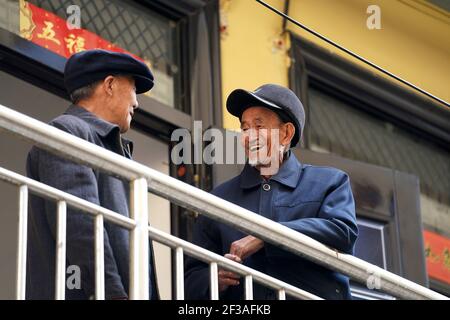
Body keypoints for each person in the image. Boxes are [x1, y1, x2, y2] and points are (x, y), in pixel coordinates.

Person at [185, 84, 358, 300]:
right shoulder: (218, 199)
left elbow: (343, 232)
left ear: (286, 134)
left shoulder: (329, 182)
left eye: (259, 126)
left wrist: (265, 237)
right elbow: (191, 279)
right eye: (245, 128)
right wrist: (215, 279)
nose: (249, 136)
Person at [26, 49, 158, 300]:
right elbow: (79, 224)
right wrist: (112, 294)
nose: (137, 102)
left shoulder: (116, 150)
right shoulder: (68, 130)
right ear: (109, 85)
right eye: (132, 88)